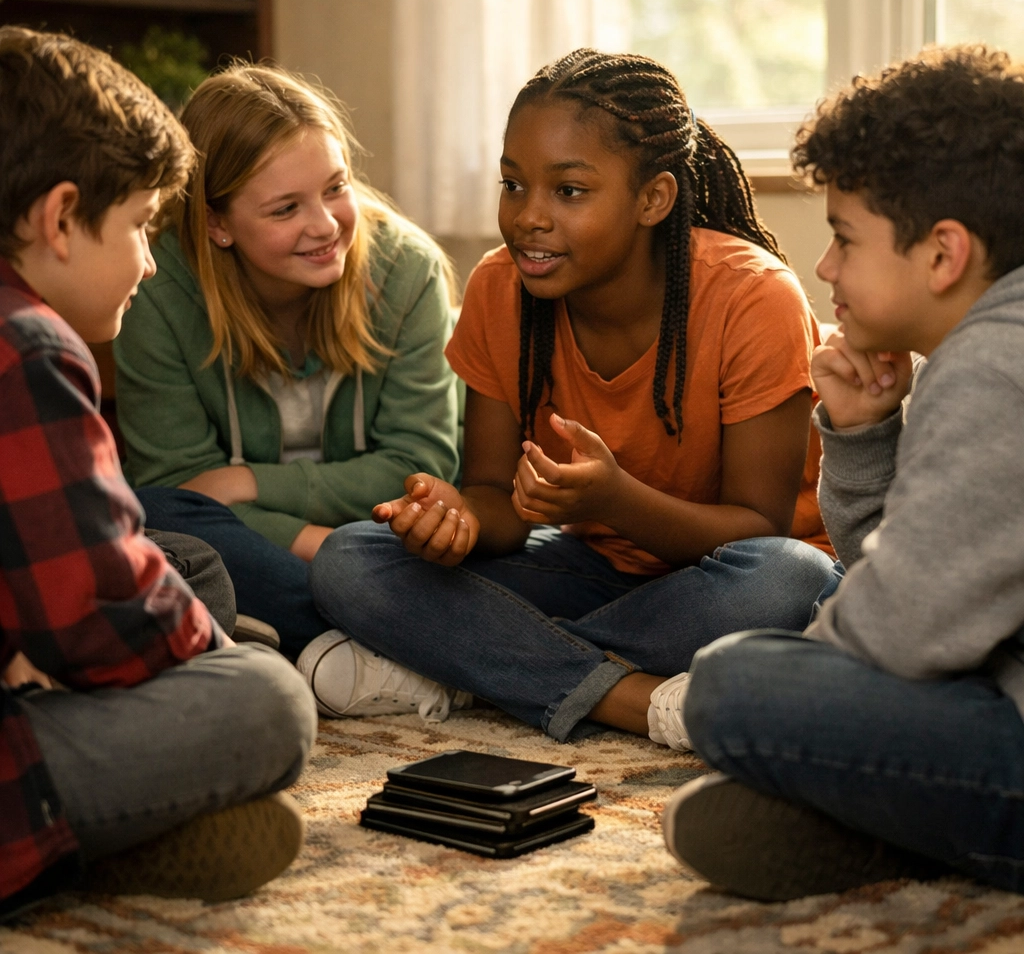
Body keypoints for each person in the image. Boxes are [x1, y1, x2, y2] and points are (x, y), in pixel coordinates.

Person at [304, 48, 838, 741]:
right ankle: (623, 695)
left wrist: (614, 499)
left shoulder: (752, 297)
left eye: (570, 191)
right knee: (351, 559)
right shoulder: (502, 288)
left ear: (654, 199)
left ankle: (475, 664)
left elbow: (759, 527)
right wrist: (458, 516)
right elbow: (500, 501)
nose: (529, 217)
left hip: (721, 580)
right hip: (590, 567)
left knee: (789, 580)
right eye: (513, 185)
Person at [661, 44, 1024, 901]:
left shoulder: (992, 369)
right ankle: (891, 820)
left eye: (843, 238)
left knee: (730, 682)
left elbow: (895, 635)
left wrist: (799, 709)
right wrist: (862, 435)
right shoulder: (993, 344)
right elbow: (927, 589)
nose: (824, 268)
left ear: (943, 254)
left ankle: (904, 828)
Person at [0, 28, 317, 921]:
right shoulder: (26, 343)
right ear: (59, 217)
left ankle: (134, 808)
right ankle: (110, 834)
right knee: (267, 702)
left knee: (189, 561)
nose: (148, 258)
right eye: (140, 224)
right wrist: (217, 663)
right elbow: (95, 611)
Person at [113, 64, 460, 659]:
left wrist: (247, 482)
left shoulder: (406, 270)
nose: (325, 226)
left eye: (335, 187)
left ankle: (326, 641)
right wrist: (322, 547)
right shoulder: (159, 288)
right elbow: (180, 489)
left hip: (383, 543)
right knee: (151, 516)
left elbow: (421, 464)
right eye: (285, 209)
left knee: (502, 547)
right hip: (280, 551)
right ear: (217, 223)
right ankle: (381, 640)